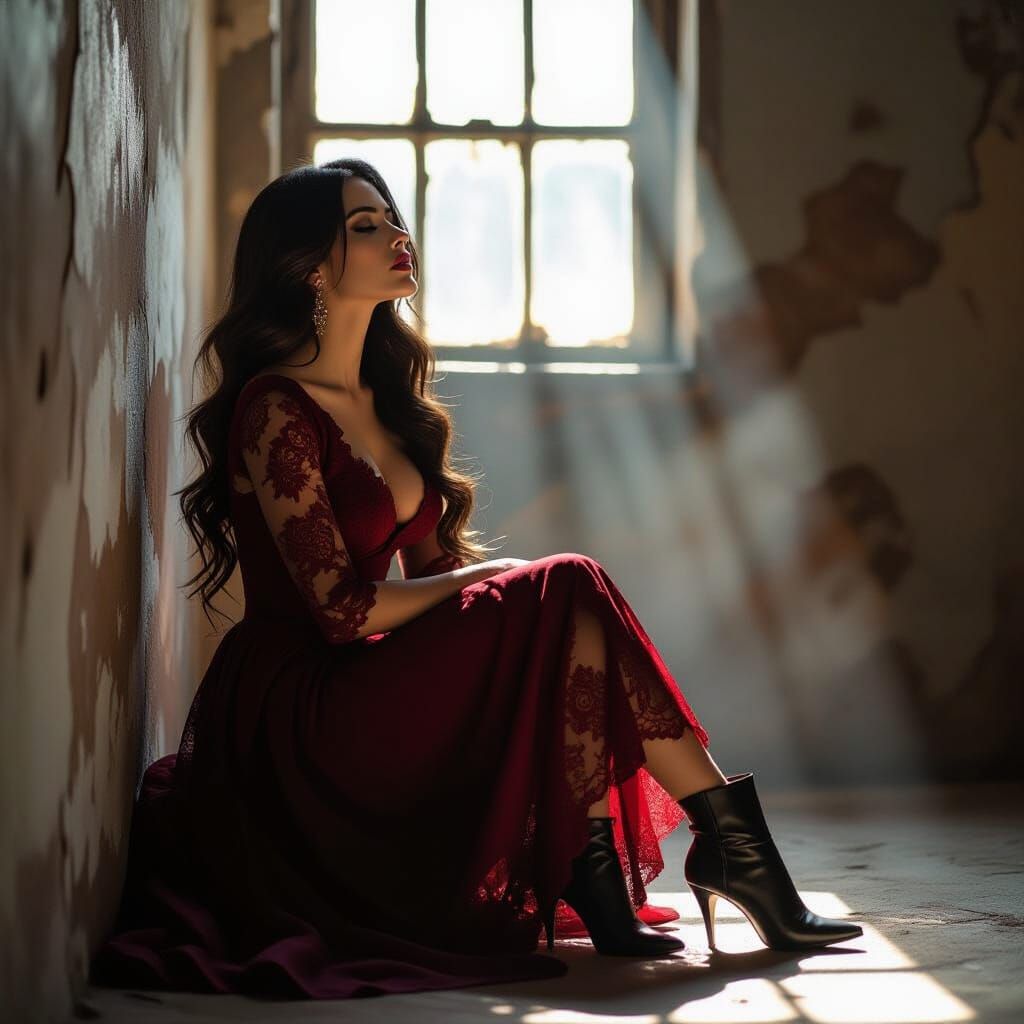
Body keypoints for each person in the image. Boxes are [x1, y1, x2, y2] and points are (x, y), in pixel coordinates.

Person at [90, 159, 862, 1000]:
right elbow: (343, 614)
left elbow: (440, 589)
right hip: (303, 709)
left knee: (562, 605)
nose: (397, 234)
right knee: (562, 582)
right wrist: (496, 580)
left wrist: (497, 594)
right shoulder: (276, 408)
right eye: (364, 225)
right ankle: (726, 861)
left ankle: (612, 872)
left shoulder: (388, 403)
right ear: (308, 264)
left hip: (371, 682)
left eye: (391, 218)